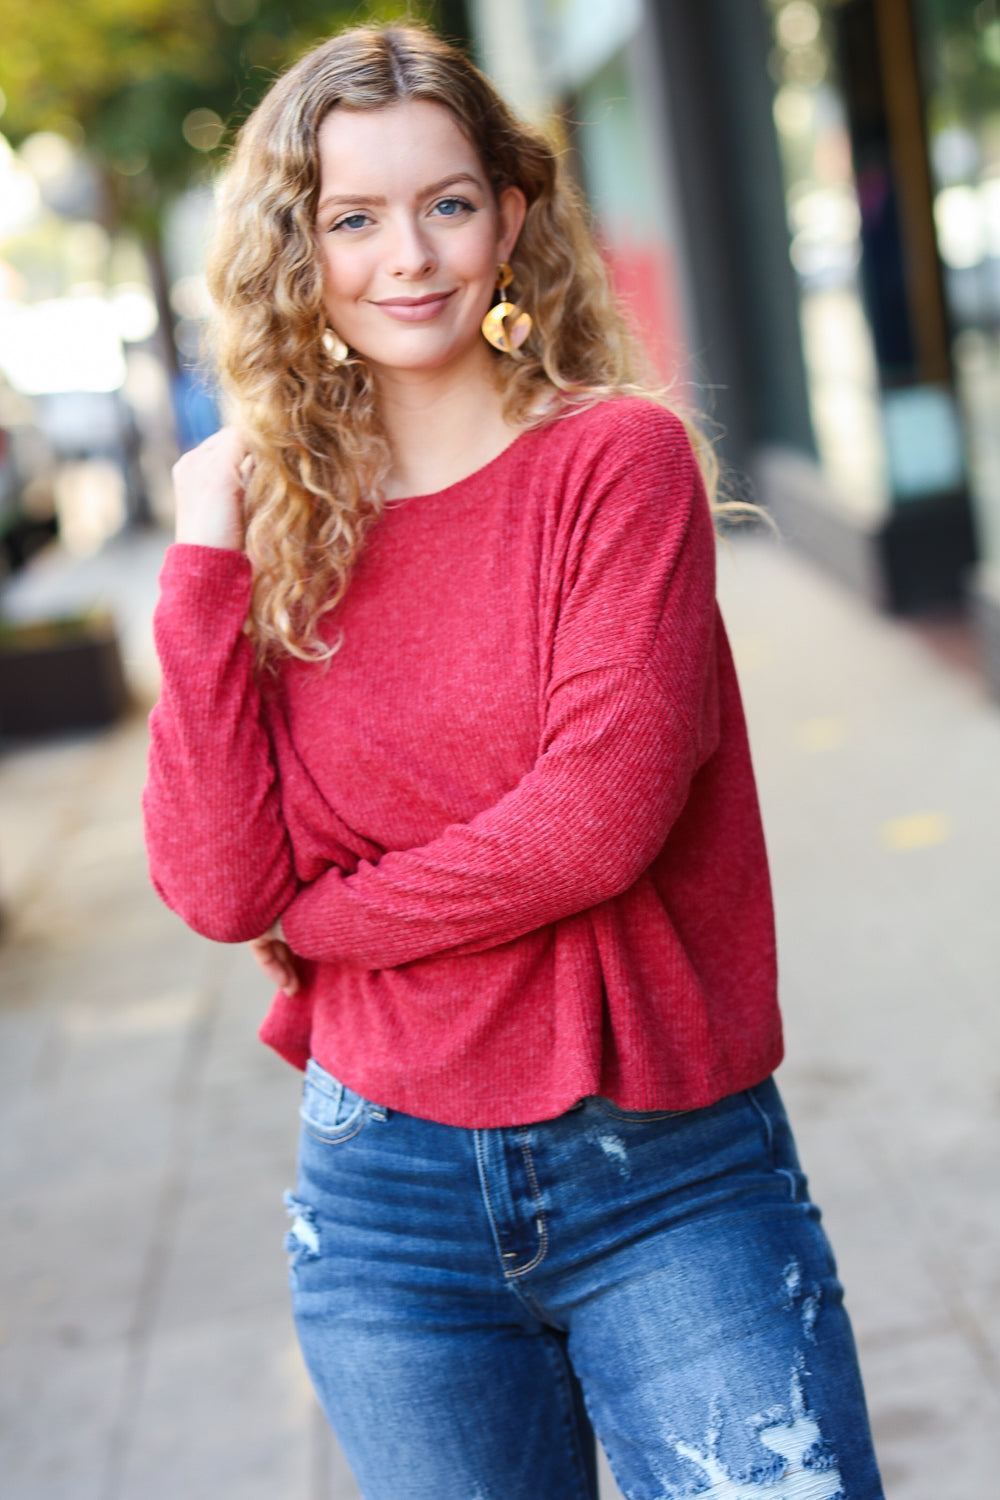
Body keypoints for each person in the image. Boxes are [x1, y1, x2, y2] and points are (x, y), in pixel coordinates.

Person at [143, 22, 885, 1500]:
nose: (407, 257)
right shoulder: (279, 535)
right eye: (354, 218)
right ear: (300, 247)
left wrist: (333, 922)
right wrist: (202, 563)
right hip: (381, 1198)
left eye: (448, 204)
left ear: (512, 219)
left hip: (658, 1165)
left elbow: (592, 827)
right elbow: (224, 886)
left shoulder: (614, 463)